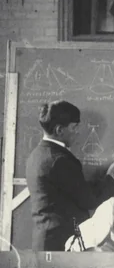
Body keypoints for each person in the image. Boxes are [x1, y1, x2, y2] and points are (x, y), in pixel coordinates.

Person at [26, 100, 96, 251]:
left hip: (46, 239)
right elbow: (88, 200)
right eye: (74, 127)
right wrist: (111, 178)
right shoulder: (59, 159)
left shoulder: (38, 154)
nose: (78, 132)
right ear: (59, 130)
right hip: (60, 242)